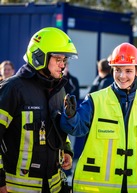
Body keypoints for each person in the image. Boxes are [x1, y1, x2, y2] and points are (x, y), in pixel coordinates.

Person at [60, 42, 137, 193]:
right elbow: (77, 129)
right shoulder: (95, 100)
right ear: (112, 70)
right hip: (100, 188)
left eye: (128, 70)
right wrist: (71, 115)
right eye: (118, 70)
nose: (122, 76)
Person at [0, 27, 78, 192]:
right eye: (58, 59)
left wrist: (67, 151)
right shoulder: (13, 89)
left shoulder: (59, 89)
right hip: (17, 188)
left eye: (64, 60)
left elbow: (60, 129)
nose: (62, 65)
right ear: (39, 56)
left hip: (54, 187)